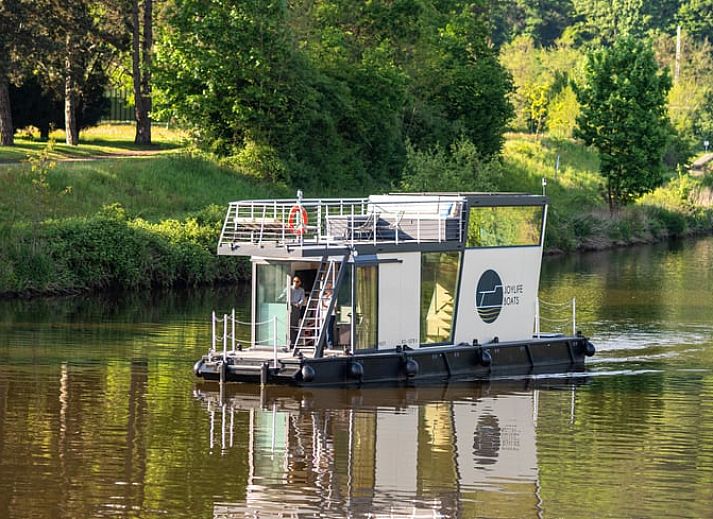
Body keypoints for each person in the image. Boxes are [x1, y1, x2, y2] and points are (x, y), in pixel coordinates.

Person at [289, 276, 305, 347]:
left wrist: (298, 304)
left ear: (300, 283)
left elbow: (302, 299)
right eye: (294, 281)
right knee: (288, 325)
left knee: (294, 325)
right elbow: (283, 296)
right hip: (289, 307)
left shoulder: (301, 290)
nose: (295, 283)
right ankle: (288, 342)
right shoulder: (289, 289)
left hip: (296, 308)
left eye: (297, 281)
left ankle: (293, 342)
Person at [321, 282, 336, 349]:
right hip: (324, 314)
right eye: (327, 289)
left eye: (329, 289)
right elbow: (321, 306)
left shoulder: (333, 297)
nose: (328, 290)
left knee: (329, 329)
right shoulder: (323, 297)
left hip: (331, 314)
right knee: (323, 329)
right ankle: (323, 344)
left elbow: (333, 306)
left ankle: (330, 344)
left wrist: (325, 306)